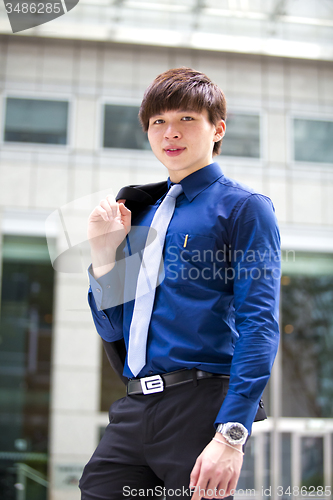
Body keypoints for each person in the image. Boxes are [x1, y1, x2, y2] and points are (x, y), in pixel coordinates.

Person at [79, 67, 280, 500]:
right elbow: (115, 328)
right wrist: (102, 254)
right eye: (158, 122)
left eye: (186, 119)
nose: (170, 133)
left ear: (217, 129)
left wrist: (231, 434)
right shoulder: (140, 213)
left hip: (201, 403)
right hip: (134, 406)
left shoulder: (244, 209)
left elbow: (259, 323)